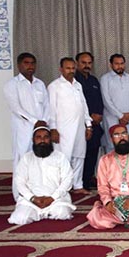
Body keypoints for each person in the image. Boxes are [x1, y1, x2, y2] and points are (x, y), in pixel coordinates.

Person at [9, 122, 75, 225]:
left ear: (50, 139)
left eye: (46, 137)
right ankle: (39, 212)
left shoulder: (60, 157)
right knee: (19, 218)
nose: (42, 140)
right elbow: (20, 182)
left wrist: (52, 197)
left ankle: (44, 213)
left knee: (63, 213)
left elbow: (67, 179)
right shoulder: (26, 158)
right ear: (33, 140)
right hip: (32, 201)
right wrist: (32, 198)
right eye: (39, 137)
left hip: (55, 199)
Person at [86, 124, 129, 229]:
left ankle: (122, 218)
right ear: (111, 139)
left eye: (124, 133)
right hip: (115, 201)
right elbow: (102, 186)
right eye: (117, 135)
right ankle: (115, 215)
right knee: (99, 221)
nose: (122, 137)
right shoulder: (105, 160)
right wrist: (108, 202)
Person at [5, 53, 49, 200]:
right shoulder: (12, 84)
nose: (30, 66)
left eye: (32, 63)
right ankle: (19, 195)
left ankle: (36, 191)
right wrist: (34, 121)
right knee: (22, 160)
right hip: (23, 129)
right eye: (26, 63)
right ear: (19, 65)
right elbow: (16, 108)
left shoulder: (40, 84)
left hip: (41, 128)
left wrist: (43, 122)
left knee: (39, 159)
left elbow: (47, 105)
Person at [48, 57, 93, 195]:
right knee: (63, 158)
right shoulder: (54, 86)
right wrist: (53, 128)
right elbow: (50, 109)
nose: (71, 71)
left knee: (79, 156)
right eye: (68, 68)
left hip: (79, 129)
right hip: (63, 130)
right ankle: (62, 188)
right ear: (61, 69)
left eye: (73, 68)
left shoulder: (77, 85)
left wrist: (88, 125)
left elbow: (83, 106)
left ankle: (77, 185)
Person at [74, 52, 104, 191]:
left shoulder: (94, 81)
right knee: (80, 154)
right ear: (77, 63)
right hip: (81, 125)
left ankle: (87, 179)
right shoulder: (73, 81)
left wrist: (99, 115)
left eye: (89, 63)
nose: (87, 66)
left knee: (92, 152)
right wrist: (89, 118)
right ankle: (77, 182)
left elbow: (99, 100)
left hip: (96, 124)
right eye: (83, 62)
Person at [100, 53, 129, 152]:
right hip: (112, 119)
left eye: (122, 63)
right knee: (113, 146)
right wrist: (120, 116)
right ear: (111, 65)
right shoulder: (105, 79)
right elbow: (106, 100)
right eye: (117, 64)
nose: (120, 66)